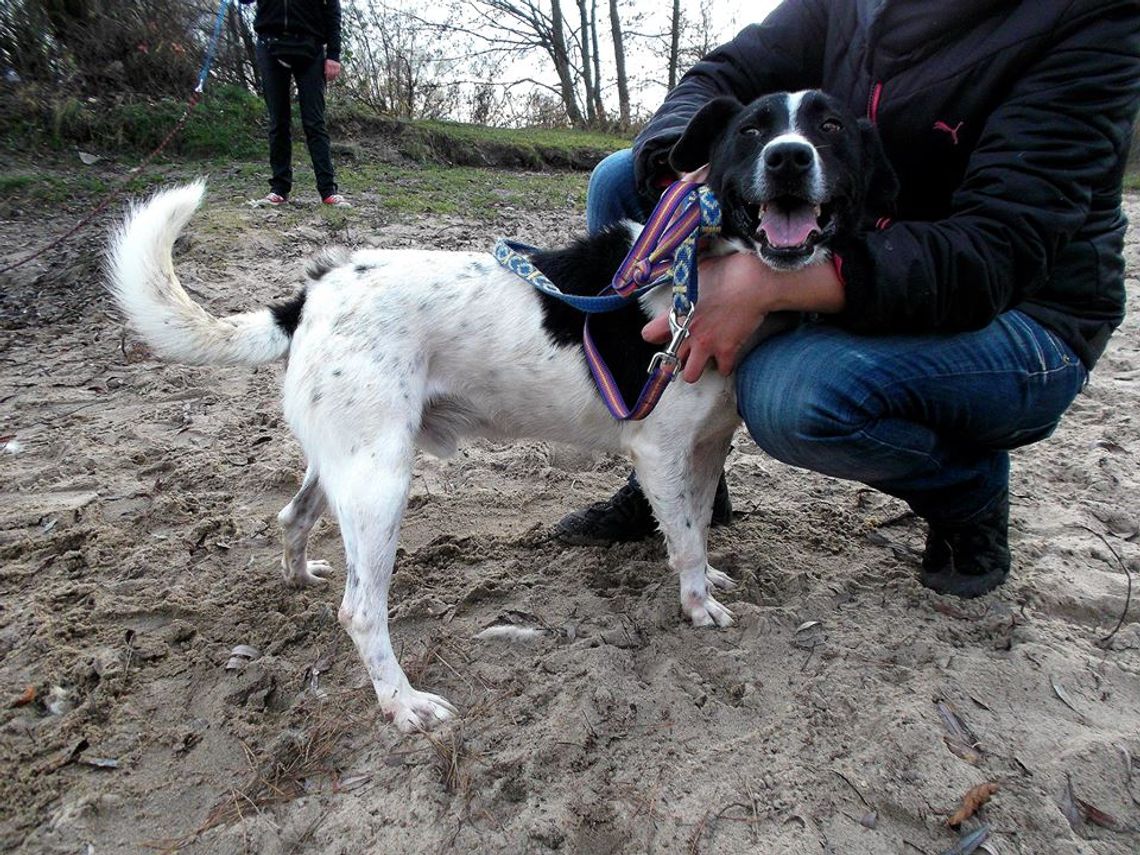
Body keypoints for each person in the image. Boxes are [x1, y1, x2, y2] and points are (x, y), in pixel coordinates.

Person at [555, 0, 1140, 598]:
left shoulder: (1088, 18)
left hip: (1019, 310)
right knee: (622, 177)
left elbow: (996, 251)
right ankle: (676, 446)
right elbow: (720, 75)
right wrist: (683, 156)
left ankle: (966, 487)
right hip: (864, 247)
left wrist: (764, 283)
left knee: (794, 396)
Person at [240, 0, 351, 207]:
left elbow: (333, 11)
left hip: (311, 46)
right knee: (278, 121)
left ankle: (328, 190)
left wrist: (334, 54)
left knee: (314, 122)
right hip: (270, 44)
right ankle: (279, 189)